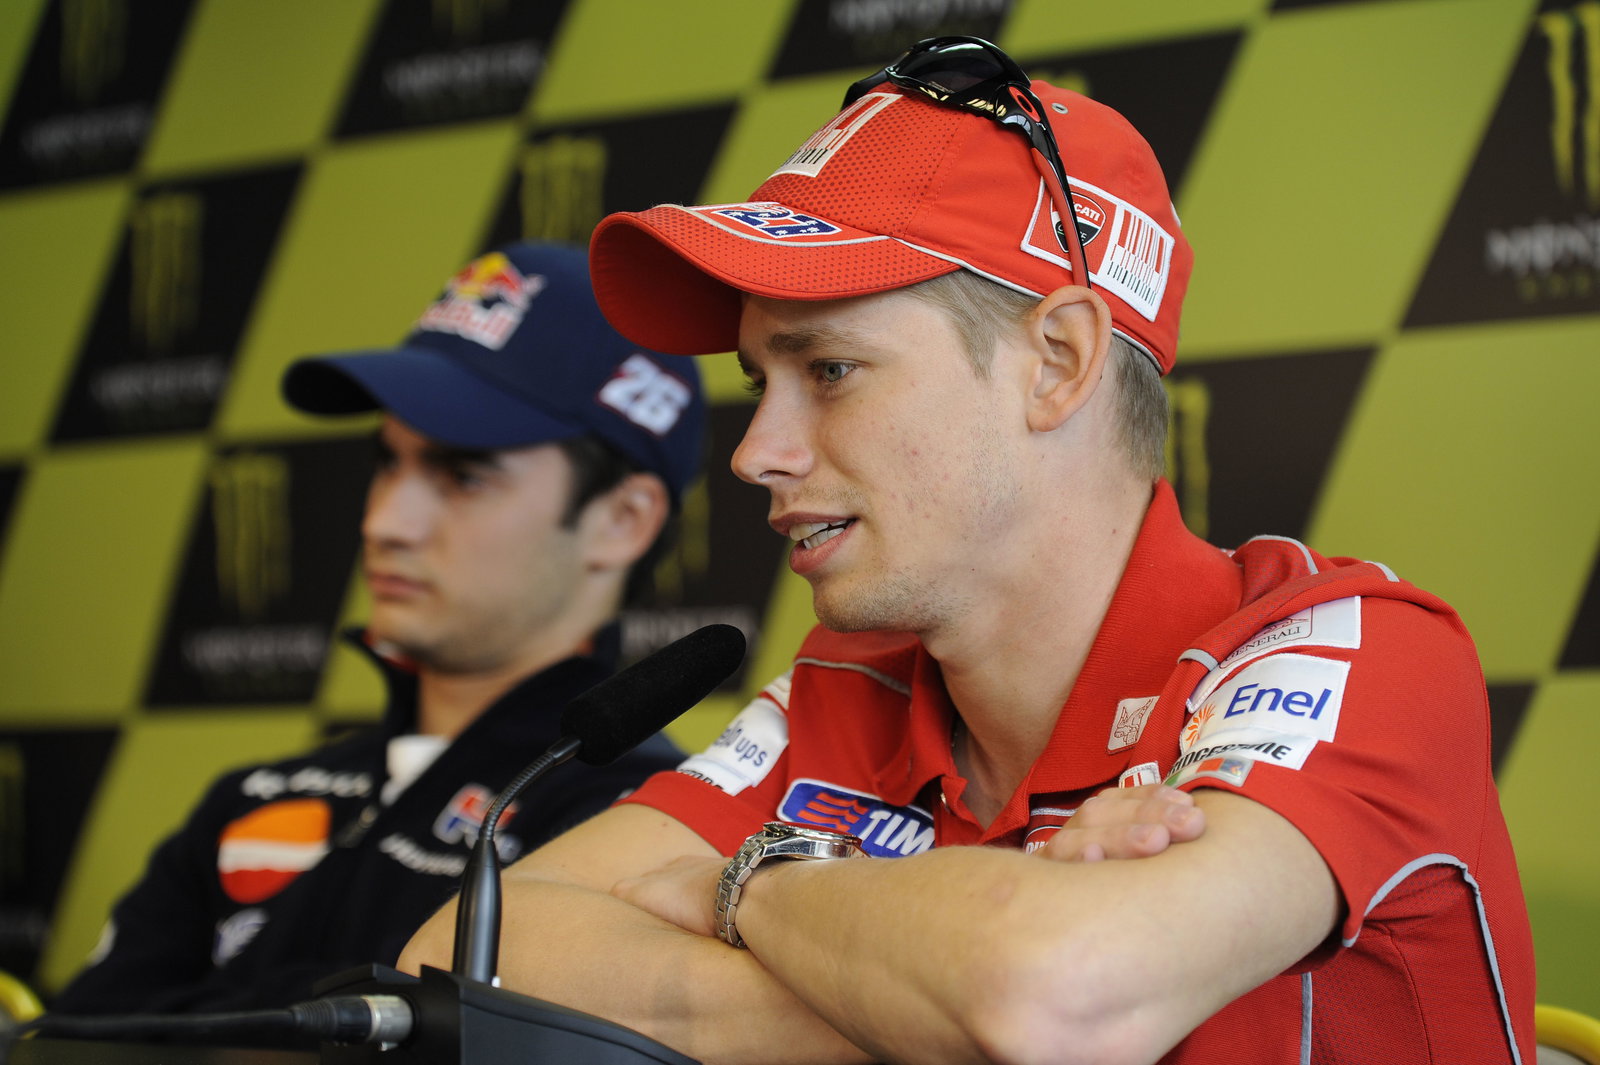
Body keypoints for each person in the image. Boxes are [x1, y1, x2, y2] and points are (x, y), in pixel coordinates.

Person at [401, 38, 1536, 1065]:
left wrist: (747, 885)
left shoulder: (1357, 655)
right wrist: (929, 988)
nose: (754, 453)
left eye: (829, 371)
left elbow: (1053, 999)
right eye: (759, 385)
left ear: (1056, 361)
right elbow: (456, 956)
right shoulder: (845, 692)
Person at [51, 241, 707, 1015]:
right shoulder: (254, 796)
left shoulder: (644, 821)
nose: (384, 521)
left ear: (622, 521)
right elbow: (76, 1038)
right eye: (387, 463)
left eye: (463, 475)